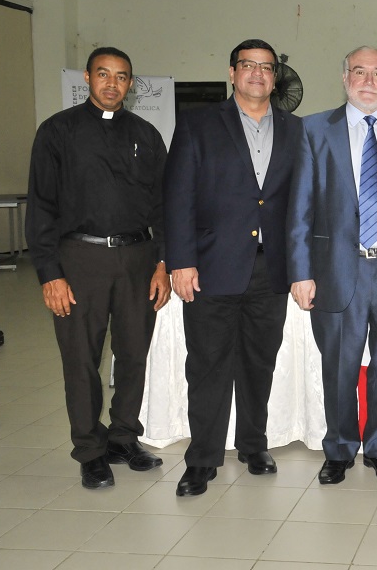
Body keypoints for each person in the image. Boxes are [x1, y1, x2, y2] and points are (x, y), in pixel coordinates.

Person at [25, 46, 169, 489]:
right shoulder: (57, 132)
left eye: (121, 76)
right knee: (81, 358)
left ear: (131, 84)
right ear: (87, 78)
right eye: (103, 74)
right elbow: (41, 206)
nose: (112, 83)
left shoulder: (146, 134)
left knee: (133, 354)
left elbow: (163, 206)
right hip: (79, 259)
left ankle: (123, 437)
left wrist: (163, 262)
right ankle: (90, 450)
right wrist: (50, 273)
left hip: (138, 259)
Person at [164, 39, 302, 496]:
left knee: (259, 363)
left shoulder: (296, 129)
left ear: (275, 77)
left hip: (271, 269)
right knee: (208, 366)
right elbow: (178, 196)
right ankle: (202, 458)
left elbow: (302, 202)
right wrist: (181, 261)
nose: (258, 74)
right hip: (211, 266)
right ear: (232, 72)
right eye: (248, 65)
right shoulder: (198, 124)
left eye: (266, 67)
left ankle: (253, 444)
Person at [288, 46, 377, 485]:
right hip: (336, 270)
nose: (369, 81)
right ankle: (339, 448)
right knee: (339, 367)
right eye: (360, 72)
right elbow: (300, 207)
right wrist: (300, 272)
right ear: (345, 77)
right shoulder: (314, 128)